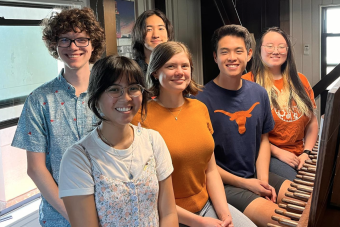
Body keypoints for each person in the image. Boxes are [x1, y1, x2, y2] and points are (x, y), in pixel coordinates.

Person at [132, 41, 256, 227]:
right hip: (168, 215)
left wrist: (224, 214)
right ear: (155, 72)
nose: (179, 72)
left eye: (185, 66)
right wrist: (199, 222)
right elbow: (147, 191)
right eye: (171, 66)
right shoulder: (140, 118)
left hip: (207, 206)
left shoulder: (200, 108)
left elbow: (211, 170)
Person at [11, 7, 105, 226]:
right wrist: (74, 216)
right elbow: (35, 168)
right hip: (60, 216)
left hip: (109, 209)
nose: (73, 47)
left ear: (93, 44)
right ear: (55, 44)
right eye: (65, 39)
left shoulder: (109, 93)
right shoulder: (39, 100)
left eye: (81, 39)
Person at [58, 55, 178, 227]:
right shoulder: (78, 159)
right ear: (96, 96)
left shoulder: (153, 141)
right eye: (114, 89)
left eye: (133, 88)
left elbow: (168, 213)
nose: (126, 97)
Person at [196, 25, 292, 227]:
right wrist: (248, 184)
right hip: (225, 184)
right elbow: (203, 163)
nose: (232, 57)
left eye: (238, 51)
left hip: (256, 174)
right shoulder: (200, 100)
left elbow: (264, 139)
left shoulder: (258, 93)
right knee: (284, 221)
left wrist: (263, 181)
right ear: (215, 57)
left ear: (249, 54)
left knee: (305, 202)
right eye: (225, 52)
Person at [242, 27, 318, 181]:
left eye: (281, 46)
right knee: (299, 187)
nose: (275, 51)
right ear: (259, 50)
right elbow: (245, 133)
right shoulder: (247, 82)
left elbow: (312, 122)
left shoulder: (300, 80)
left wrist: (307, 152)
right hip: (267, 155)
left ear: (288, 51)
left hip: (300, 153)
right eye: (269, 46)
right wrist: (278, 152)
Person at [131, 9, 174, 76]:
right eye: (149, 30)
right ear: (139, 34)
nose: (156, 35)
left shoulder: (177, 66)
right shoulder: (131, 70)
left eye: (160, 29)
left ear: (168, 34)